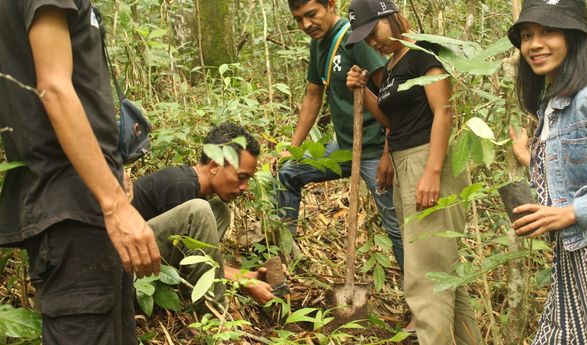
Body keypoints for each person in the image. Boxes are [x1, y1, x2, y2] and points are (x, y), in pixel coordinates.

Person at [0, 1, 160, 344]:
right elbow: (54, 89)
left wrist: (111, 171)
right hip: (71, 206)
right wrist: (114, 203)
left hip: (84, 205)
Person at [345, 0, 482, 344]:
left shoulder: (424, 53)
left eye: (373, 32)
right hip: (408, 163)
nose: (372, 43)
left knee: (424, 279)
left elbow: (443, 113)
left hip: (428, 161)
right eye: (365, 39)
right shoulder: (393, 66)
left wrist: (432, 172)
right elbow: (394, 121)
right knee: (442, 274)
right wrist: (364, 89)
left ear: (389, 17)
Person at [506, 0, 587, 343]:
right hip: (572, 258)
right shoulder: (552, 105)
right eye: (527, 35)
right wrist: (532, 156)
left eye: (548, 31)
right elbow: (577, 165)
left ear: (573, 38)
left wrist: (568, 213)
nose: (534, 44)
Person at [281, 0, 404, 272]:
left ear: (331, 5)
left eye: (311, 15)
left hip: (374, 151)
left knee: (396, 227)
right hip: (345, 148)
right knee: (288, 173)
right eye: (299, 19)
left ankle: (420, 299)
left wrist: (387, 155)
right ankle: (285, 257)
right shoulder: (318, 43)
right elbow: (313, 95)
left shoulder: (355, 38)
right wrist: (293, 148)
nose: (306, 25)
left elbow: (389, 94)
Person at [132, 122, 280, 306]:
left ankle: (191, 295)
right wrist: (244, 283)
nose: (244, 187)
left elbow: (199, 259)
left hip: (149, 264)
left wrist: (251, 276)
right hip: (126, 273)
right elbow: (194, 260)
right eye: (241, 177)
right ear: (214, 166)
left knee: (218, 210)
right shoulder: (180, 185)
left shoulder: (192, 188)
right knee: (200, 211)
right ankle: (210, 314)